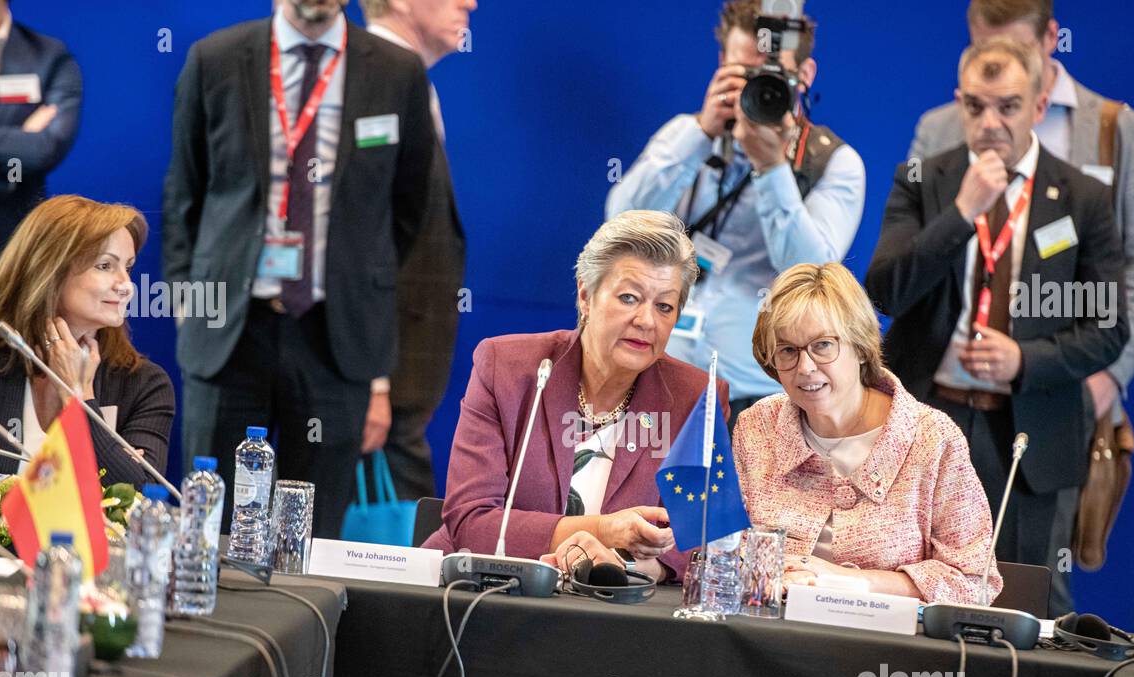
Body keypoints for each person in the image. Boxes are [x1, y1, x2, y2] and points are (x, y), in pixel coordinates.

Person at [907, 0, 1134, 611]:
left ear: (1051, 40)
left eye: (1020, 51)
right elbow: (907, 271)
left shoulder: (1113, 128)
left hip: (1054, 397)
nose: (991, 116)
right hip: (944, 404)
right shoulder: (941, 127)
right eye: (985, 49)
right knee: (924, 579)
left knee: (1031, 591)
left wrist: (1101, 379)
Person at [865, 37, 1127, 615]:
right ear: (959, 103)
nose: (990, 123)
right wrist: (962, 213)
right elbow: (884, 291)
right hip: (931, 422)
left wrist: (1025, 361)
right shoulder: (923, 180)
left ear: (1037, 106)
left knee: (1026, 602)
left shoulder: (1083, 198)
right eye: (976, 106)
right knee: (913, 592)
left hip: (1029, 431)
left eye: (1007, 106)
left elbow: (1108, 329)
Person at [163, 0, 434, 537]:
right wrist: (190, 308)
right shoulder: (214, 59)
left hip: (335, 339)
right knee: (211, 527)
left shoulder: (397, 71)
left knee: (313, 536)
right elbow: (182, 197)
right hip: (230, 330)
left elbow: (408, 209)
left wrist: (357, 286)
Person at [424, 211, 729, 582]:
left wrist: (641, 568)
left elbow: (704, 539)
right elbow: (471, 523)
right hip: (480, 593)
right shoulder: (506, 368)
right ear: (586, 295)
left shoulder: (696, 397)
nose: (647, 321)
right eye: (629, 298)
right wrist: (605, 530)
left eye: (664, 306)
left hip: (609, 612)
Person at [605, 0, 864, 422]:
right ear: (722, 64)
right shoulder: (688, 135)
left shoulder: (833, 163)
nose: (755, 86)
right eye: (744, 73)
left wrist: (772, 169)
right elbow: (621, 224)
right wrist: (700, 133)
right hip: (658, 379)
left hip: (756, 399)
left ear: (806, 75)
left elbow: (808, 273)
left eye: (769, 75)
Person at [734, 263, 999, 603]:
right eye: (788, 350)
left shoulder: (932, 439)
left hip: (885, 648)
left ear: (860, 347)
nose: (806, 367)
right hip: (769, 637)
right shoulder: (757, 426)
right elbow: (723, 548)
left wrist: (841, 580)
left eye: (823, 345)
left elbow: (973, 581)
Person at [0, 195, 173, 486]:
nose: (126, 285)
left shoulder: (145, 385)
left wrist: (79, 396)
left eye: (128, 267)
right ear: (49, 272)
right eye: (105, 266)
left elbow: (138, 496)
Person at [361, 0, 474, 500]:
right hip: (373, 373)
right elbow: (360, 237)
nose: (470, 2)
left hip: (402, 378)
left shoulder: (407, 80)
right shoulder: (373, 79)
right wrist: (373, 380)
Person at [0, 0, 83, 331]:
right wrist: (8, 165)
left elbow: (42, 151)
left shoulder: (48, 58)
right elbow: (24, 157)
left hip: (5, 276)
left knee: (2, 380)